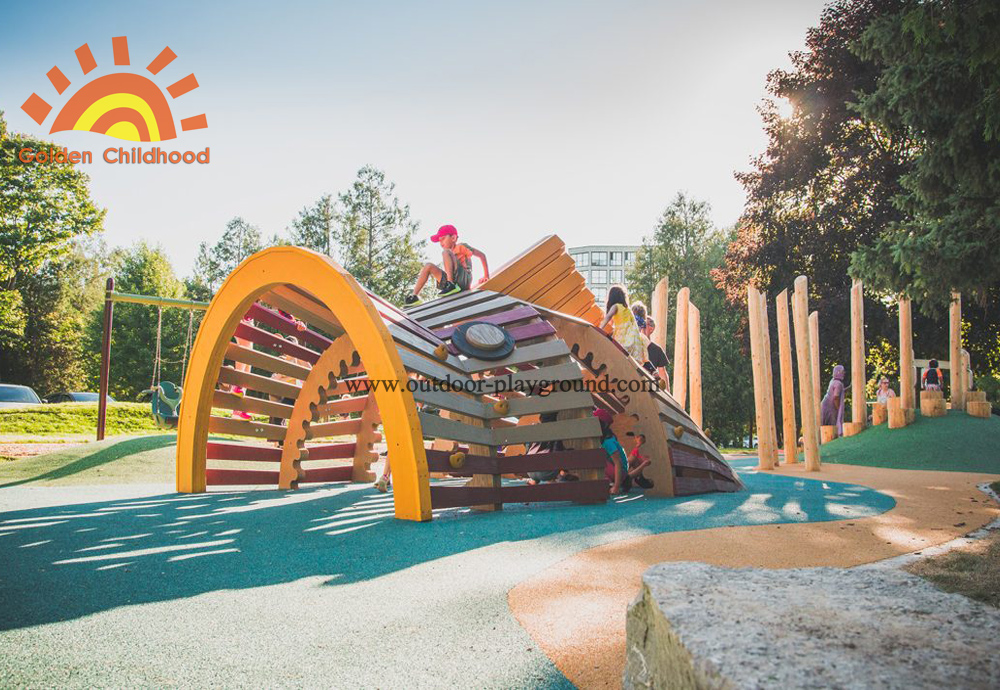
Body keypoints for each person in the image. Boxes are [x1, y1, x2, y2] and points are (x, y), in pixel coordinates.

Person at [405, 224, 489, 305]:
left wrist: (486, 275)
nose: (441, 243)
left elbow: (482, 255)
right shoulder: (448, 255)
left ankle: (450, 284)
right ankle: (414, 296)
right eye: (439, 241)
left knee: (446, 252)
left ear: (453, 238)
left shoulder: (461, 246)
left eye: (443, 239)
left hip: (464, 279)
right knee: (428, 266)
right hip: (454, 280)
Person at [523, 412, 578, 485]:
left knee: (550, 422)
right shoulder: (530, 472)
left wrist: (558, 437)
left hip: (549, 445)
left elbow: (557, 455)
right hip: (541, 440)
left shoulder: (545, 475)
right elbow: (528, 447)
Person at [598, 285, 645, 362]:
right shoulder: (627, 308)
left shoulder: (615, 306)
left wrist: (600, 328)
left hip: (622, 335)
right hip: (632, 337)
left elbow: (608, 317)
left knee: (615, 353)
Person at [594, 408, 630, 495]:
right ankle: (608, 483)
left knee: (597, 460)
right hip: (617, 471)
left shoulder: (608, 442)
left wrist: (616, 487)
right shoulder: (603, 439)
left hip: (620, 472)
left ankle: (610, 484)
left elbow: (618, 463)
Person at [637, 315, 670, 388]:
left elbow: (662, 373)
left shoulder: (657, 350)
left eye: (643, 325)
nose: (640, 327)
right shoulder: (633, 345)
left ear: (651, 329)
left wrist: (667, 394)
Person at [820, 364, 847, 436]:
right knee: (832, 426)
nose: (844, 373)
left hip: (825, 405)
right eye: (843, 371)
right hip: (830, 407)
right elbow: (836, 397)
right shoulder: (838, 384)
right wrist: (838, 408)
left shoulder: (832, 381)